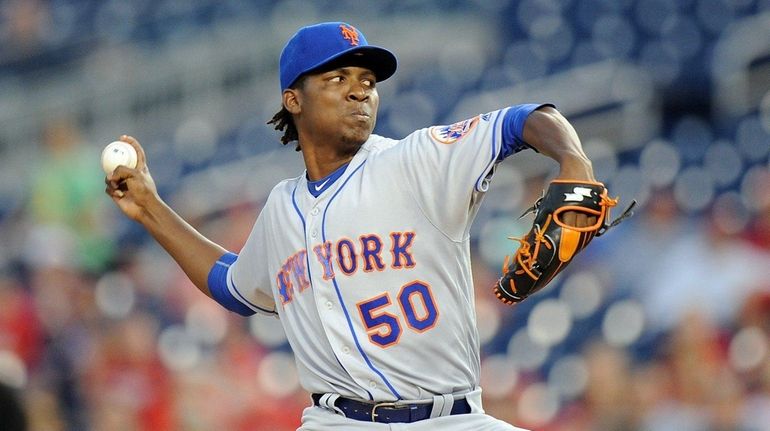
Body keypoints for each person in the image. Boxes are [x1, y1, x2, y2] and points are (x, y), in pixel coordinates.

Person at [105, 22, 597, 430]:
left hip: (451, 419)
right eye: (338, 77)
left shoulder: (415, 160)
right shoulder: (281, 208)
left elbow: (525, 119)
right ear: (293, 100)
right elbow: (232, 286)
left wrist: (574, 162)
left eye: (367, 79)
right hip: (335, 421)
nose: (360, 88)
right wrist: (150, 207)